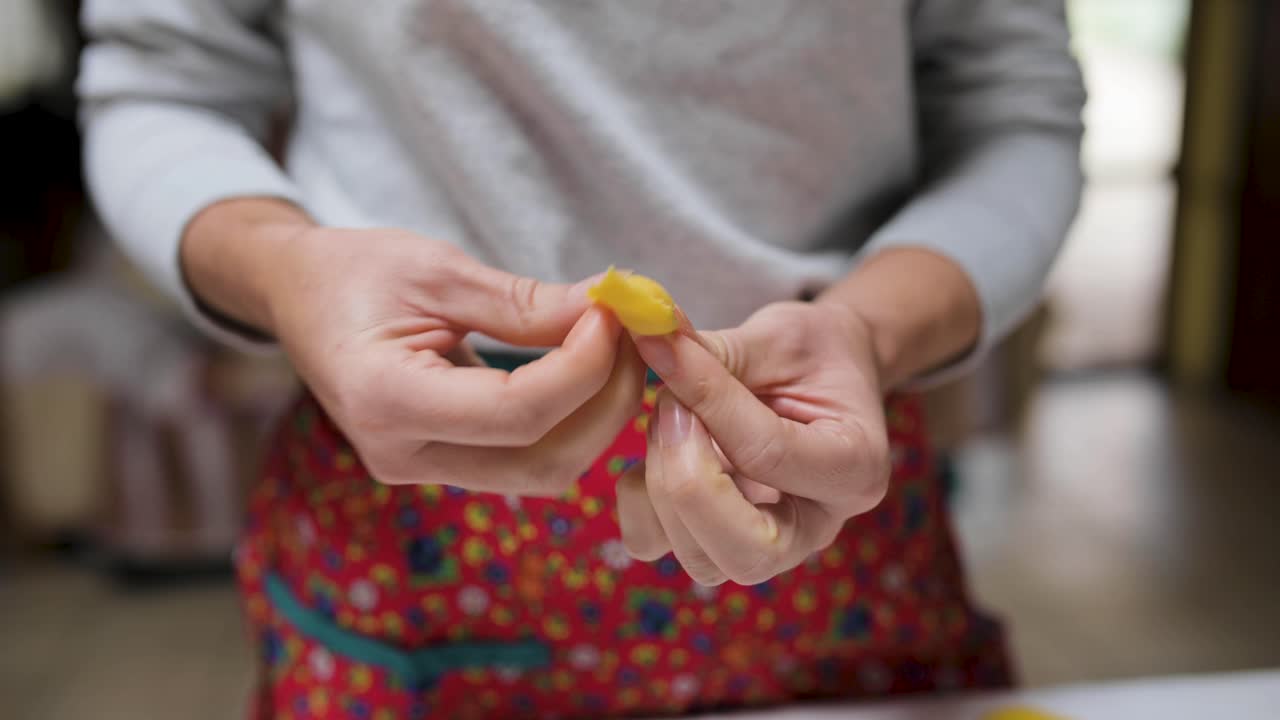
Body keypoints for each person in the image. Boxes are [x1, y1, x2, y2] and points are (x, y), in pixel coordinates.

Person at [78, 2, 1084, 718]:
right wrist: (283, 265)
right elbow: (160, 86)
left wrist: (870, 329)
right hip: (408, 523)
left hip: (822, 489)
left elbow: (1011, 109)